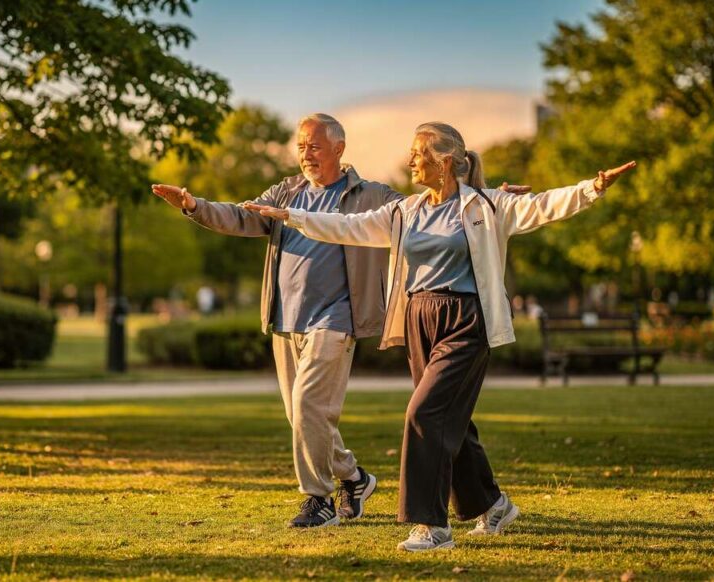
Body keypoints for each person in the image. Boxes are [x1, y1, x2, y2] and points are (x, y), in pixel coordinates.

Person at [244, 121, 635, 549]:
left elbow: (543, 206)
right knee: (453, 420)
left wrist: (592, 187)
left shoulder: (486, 205)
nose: (410, 161)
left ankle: (432, 525)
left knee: (424, 415)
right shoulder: (406, 211)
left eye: (418, 154)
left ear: (444, 161)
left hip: (467, 320)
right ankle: (494, 505)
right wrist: (294, 217)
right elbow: (349, 226)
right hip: (419, 320)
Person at [152, 114, 528, 529]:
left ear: (338, 149)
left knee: (309, 407)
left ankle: (318, 499)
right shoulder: (286, 191)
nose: (305, 155)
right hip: (285, 318)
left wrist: (489, 199)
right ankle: (353, 477)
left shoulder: (369, 195)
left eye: (314, 146)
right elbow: (243, 217)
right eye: (300, 147)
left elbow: (435, 203)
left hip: (336, 318)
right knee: (303, 418)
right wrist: (192, 206)